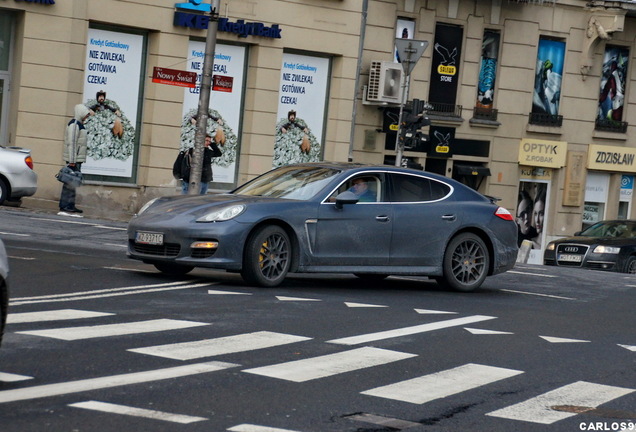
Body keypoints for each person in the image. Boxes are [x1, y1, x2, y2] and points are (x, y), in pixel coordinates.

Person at [59, 104, 92, 216]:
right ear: (81, 113)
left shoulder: (78, 124)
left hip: (76, 159)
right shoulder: (74, 125)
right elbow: (72, 143)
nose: (86, 117)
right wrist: (72, 161)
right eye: (86, 114)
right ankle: (66, 206)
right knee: (69, 183)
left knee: (72, 183)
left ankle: (69, 205)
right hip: (74, 160)